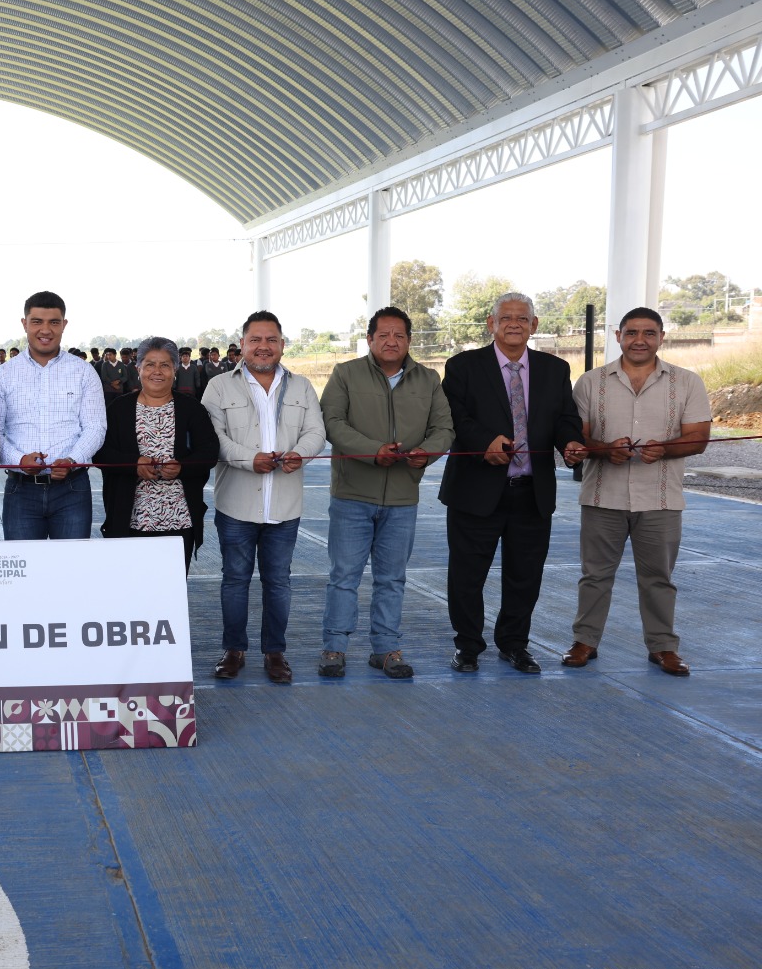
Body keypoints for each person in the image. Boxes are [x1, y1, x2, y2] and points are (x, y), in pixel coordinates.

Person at [440, 292, 586, 674]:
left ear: (534, 326)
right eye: (506, 317)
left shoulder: (555, 370)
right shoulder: (463, 367)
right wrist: (483, 442)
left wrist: (570, 442)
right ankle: (468, 646)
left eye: (523, 318)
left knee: (524, 576)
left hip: (531, 494)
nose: (514, 324)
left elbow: (565, 418)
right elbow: (456, 417)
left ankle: (514, 644)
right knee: (467, 577)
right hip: (475, 492)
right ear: (491, 324)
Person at [565, 308, 710, 676]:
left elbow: (698, 439)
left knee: (659, 577)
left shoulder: (688, 382)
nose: (640, 340)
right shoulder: (590, 382)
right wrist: (604, 449)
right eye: (632, 333)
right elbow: (578, 437)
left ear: (662, 336)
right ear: (618, 336)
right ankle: (585, 642)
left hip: (660, 498)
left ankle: (663, 647)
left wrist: (666, 449)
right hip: (602, 496)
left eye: (648, 332)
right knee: (594, 575)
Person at [317, 307, 454, 678]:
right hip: (351, 495)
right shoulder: (346, 374)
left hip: (402, 499)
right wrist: (370, 451)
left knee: (392, 579)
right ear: (370, 339)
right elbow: (332, 422)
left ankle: (387, 649)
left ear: (409, 340)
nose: (391, 341)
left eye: (399, 335)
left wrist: (427, 453)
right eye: (384, 335)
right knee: (344, 576)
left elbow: (444, 427)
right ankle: (334, 648)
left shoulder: (428, 379)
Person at [201, 311, 326, 684]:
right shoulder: (220, 386)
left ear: (282, 345)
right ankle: (233, 650)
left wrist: (299, 454)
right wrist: (247, 459)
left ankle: (275, 653)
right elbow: (215, 438)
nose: (263, 346)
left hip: (284, 505)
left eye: (271, 339)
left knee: (278, 582)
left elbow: (316, 432)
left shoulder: (302, 386)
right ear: (242, 344)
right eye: (255, 339)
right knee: (235, 580)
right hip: (236, 504)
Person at [0, 290, 106, 541]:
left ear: (64, 325)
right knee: (23, 572)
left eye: (54, 322)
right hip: (20, 491)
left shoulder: (84, 372)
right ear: (24, 324)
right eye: (37, 322)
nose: (45, 330)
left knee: (72, 572)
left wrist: (73, 459)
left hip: (72, 490)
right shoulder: (3, 375)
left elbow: (96, 426)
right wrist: (19, 460)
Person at [95, 337, 217, 568]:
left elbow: (210, 451)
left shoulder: (192, 408)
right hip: (129, 518)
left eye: (165, 365)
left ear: (175, 370)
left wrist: (183, 467)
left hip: (179, 520)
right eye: (150, 364)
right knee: (130, 591)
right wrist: (134, 464)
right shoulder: (119, 408)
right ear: (138, 368)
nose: (157, 371)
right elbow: (101, 453)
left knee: (171, 595)